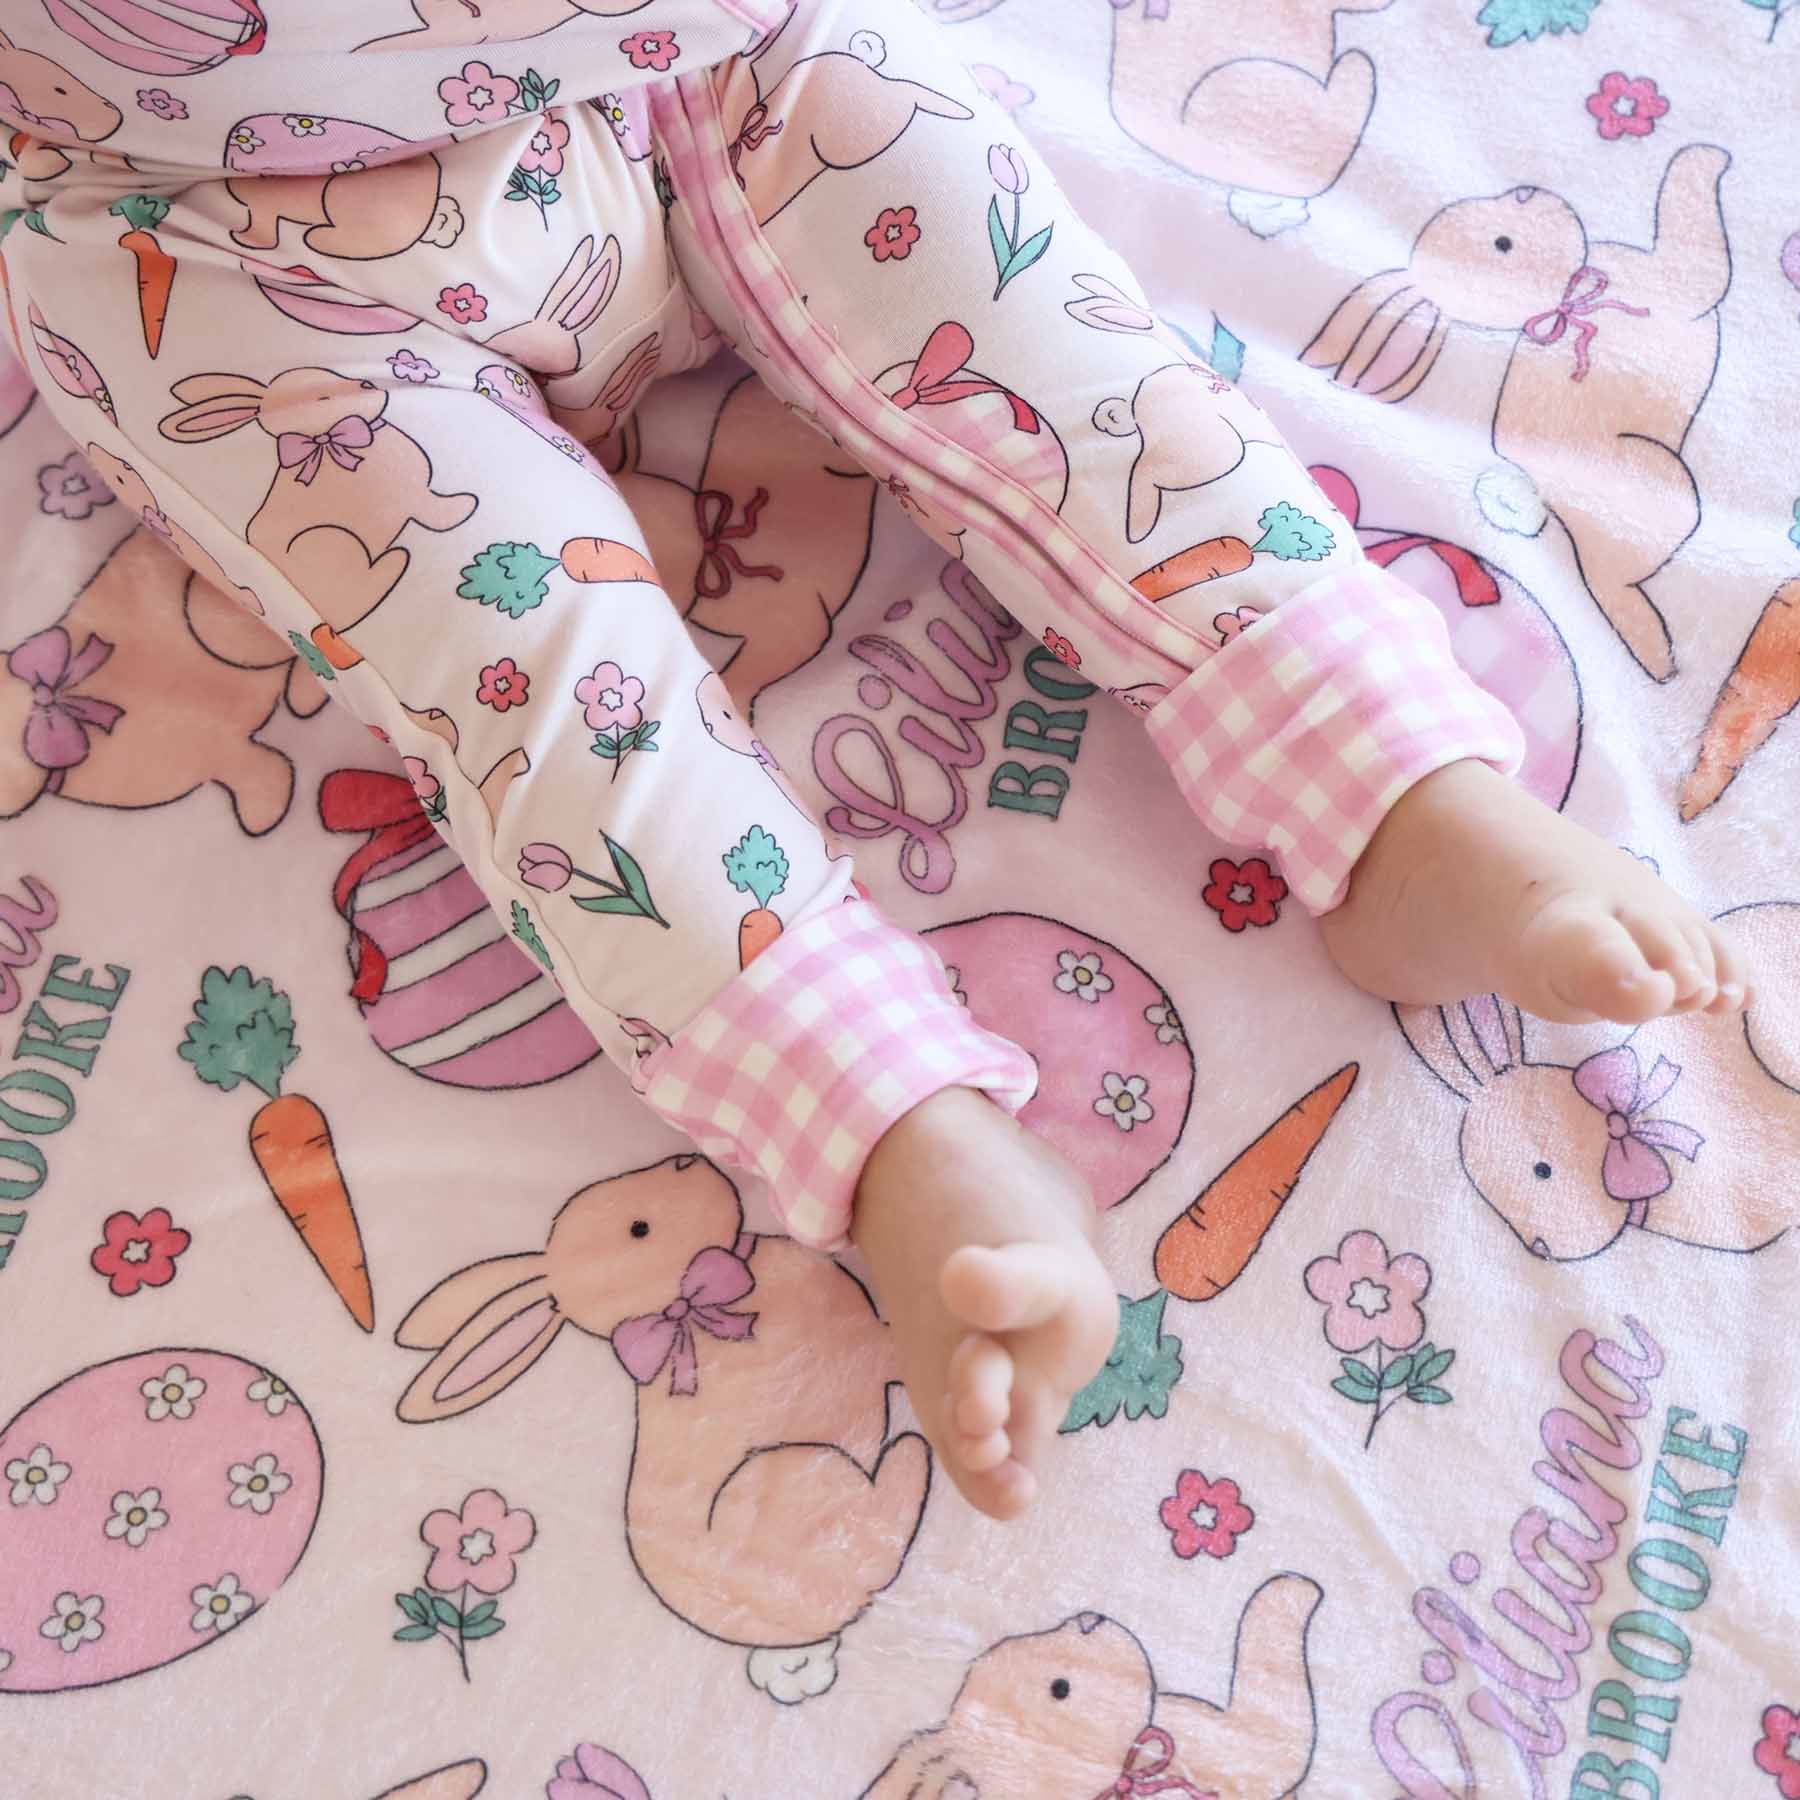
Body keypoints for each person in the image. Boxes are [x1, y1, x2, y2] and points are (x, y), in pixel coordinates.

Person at [0, 0, 1747, 1521]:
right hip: (217, 245)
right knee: (545, 698)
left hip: (705, 67)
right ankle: (887, 1121)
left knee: (1047, 336)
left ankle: (1376, 768)